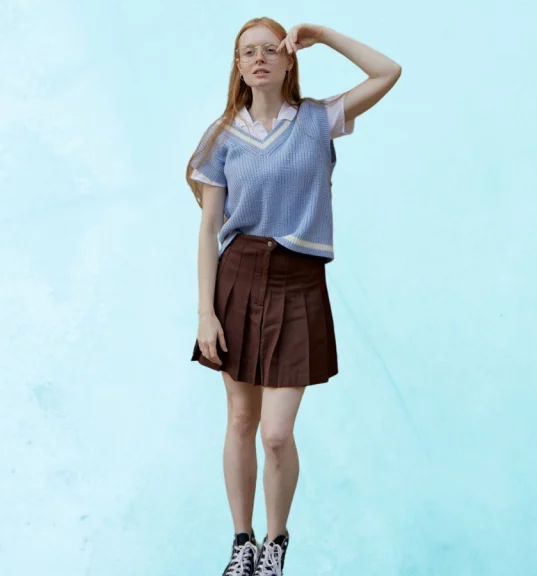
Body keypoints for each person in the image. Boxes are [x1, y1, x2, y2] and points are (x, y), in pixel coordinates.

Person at [186, 16, 401, 576]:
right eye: (247, 52)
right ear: (237, 66)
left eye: (269, 50)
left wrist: (324, 35)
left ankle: (275, 545)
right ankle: (242, 544)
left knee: (277, 434)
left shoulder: (316, 120)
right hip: (237, 277)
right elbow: (209, 231)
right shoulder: (221, 137)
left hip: (299, 278)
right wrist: (205, 314)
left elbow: (388, 72)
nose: (258, 59)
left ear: (287, 61)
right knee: (240, 421)